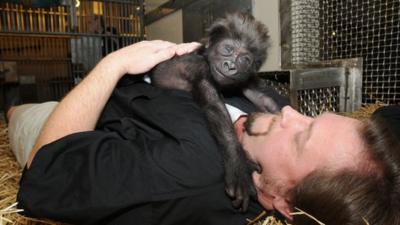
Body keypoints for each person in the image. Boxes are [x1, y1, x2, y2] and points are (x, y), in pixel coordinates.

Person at [10, 40, 400, 225]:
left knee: (18, 111)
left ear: (278, 198)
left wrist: (116, 63)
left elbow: (44, 177)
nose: (291, 113)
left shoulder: (187, 173)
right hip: (131, 92)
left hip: (80, 117)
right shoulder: (264, 129)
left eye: (301, 137)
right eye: (312, 118)